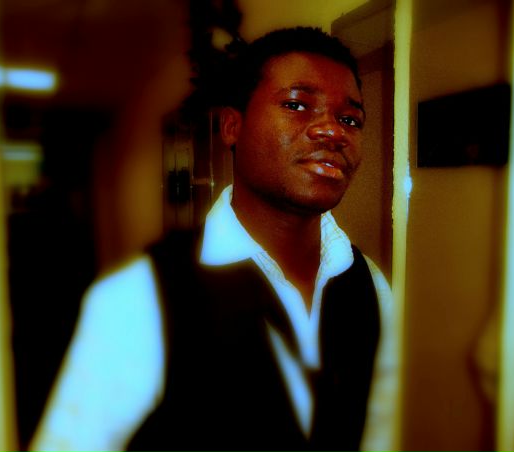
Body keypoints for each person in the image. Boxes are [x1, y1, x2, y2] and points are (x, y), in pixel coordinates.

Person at [31, 27, 397, 452]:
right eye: (297, 104)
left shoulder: (370, 284)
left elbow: (379, 433)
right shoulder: (140, 296)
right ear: (231, 126)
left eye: (350, 119)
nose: (333, 131)